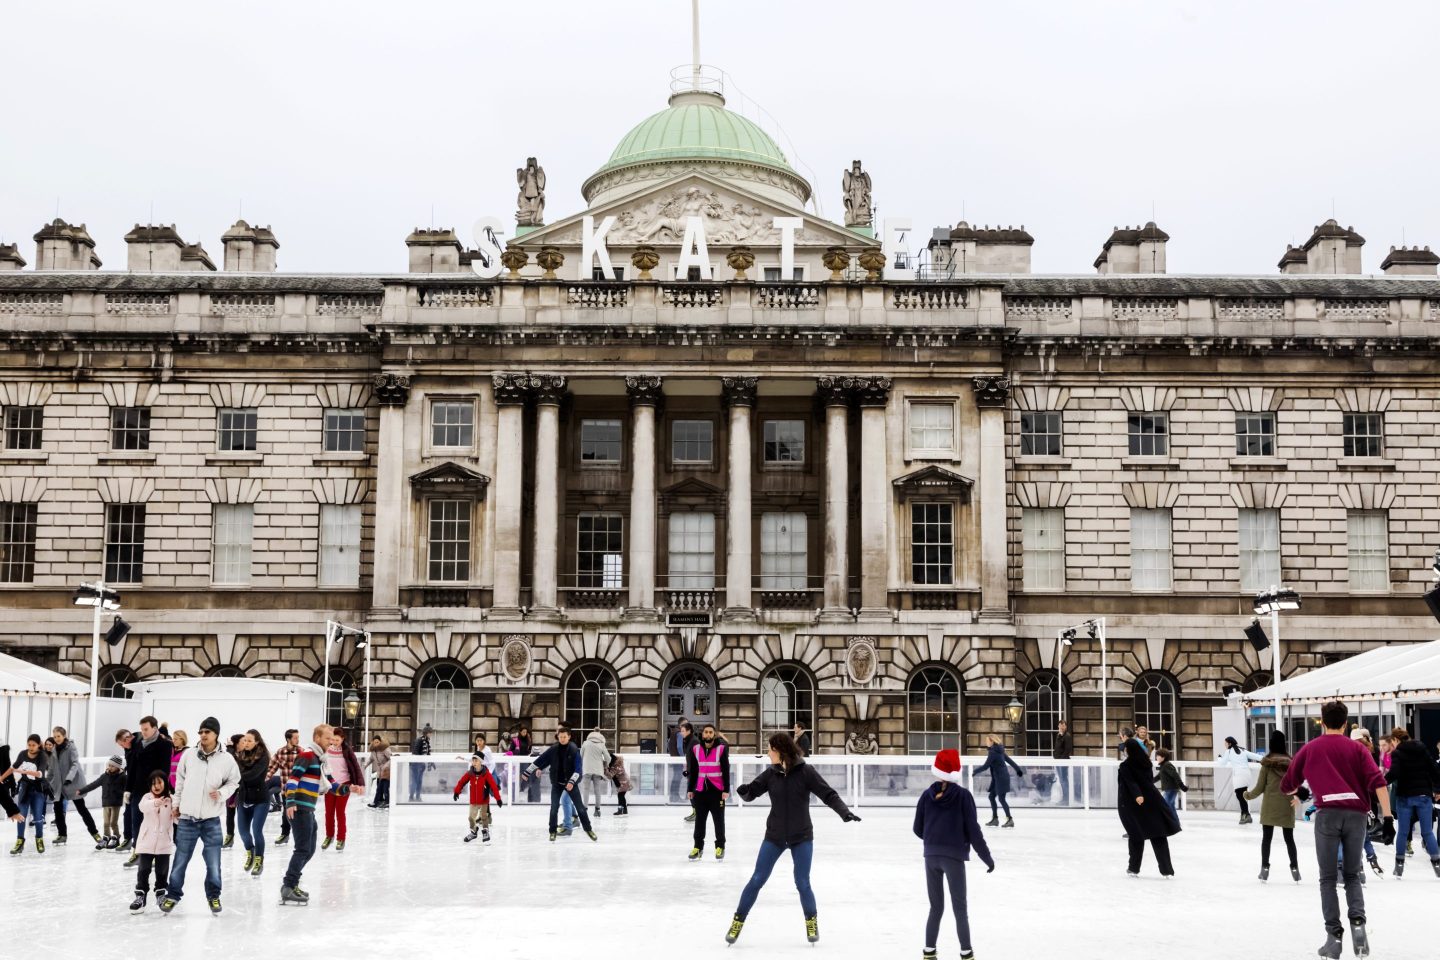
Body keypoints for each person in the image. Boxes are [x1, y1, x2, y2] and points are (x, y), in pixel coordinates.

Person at [1281, 699, 1394, 960]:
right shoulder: (1358, 750)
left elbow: (1287, 784)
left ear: (1322, 721)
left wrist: (1301, 790)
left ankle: (1333, 937)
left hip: (1327, 816)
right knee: (1353, 875)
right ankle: (1358, 924)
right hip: (1356, 816)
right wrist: (1387, 819)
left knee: (1328, 878)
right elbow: (1378, 783)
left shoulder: (1310, 749)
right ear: (1345, 723)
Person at [725, 732, 860, 946]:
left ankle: (811, 921)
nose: (768, 753)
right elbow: (752, 793)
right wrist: (743, 791)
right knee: (757, 879)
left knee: (803, 882)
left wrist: (844, 812)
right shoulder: (770, 774)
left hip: (801, 836)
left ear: (779, 751)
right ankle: (737, 921)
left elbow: (828, 794)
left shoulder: (806, 772)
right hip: (775, 836)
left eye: (770, 749)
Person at [914, 748, 994, 960]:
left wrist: (933, 841)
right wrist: (987, 857)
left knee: (935, 907)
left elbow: (917, 828)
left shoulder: (926, 796)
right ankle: (966, 953)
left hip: (931, 857)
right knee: (960, 908)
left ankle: (929, 951)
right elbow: (974, 832)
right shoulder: (963, 796)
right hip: (953, 858)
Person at [161, 716, 240, 914]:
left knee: (213, 862)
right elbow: (179, 781)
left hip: (211, 819)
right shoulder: (189, 755)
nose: (203, 735)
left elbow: (234, 782)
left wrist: (222, 794)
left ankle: (213, 896)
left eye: (207, 732)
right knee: (180, 860)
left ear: (216, 735)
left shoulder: (226, 759)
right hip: (187, 818)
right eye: (201, 732)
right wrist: (176, 804)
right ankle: (172, 895)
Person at [281, 723, 336, 905]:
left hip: (308, 809)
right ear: (317, 738)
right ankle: (288, 886)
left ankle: (292, 882)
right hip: (299, 808)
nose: (331, 741)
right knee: (303, 849)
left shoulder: (320, 759)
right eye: (328, 738)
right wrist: (290, 802)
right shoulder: (307, 755)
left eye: (332, 738)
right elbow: (292, 780)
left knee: (310, 849)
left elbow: (330, 782)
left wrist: (349, 788)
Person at [522, 724, 597, 842]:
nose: (562, 739)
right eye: (560, 737)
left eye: (564, 737)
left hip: (571, 783)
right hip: (557, 784)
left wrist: (572, 781)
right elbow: (542, 760)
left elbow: (578, 768)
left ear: (569, 737)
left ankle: (588, 830)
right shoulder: (554, 749)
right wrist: (528, 771)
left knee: (581, 808)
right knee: (554, 808)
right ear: (558, 737)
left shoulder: (573, 749)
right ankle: (552, 832)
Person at [1118, 738, 1179, 877]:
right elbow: (1146, 781)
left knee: (1136, 836)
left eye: (1126, 748)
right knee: (1157, 835)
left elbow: (1131, 783)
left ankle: (1133, 868)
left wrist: (1137, 795)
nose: (1124, 751)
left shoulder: (1126, 766)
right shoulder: (1145, 762)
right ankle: (1166, 870)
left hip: (1135, 805)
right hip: (1152, 801)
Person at [1247, 729, 1301, 883]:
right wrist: (1297, 797)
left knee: (1267, 838)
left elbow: (1259, 787)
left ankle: (1265, 868)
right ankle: (1295, 868)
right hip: (1286, 805)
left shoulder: (1267, 764)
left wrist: (1247, 795)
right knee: (1289, 839)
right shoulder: (1291, 763)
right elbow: (1296, 784)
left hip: (1270, 805)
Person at [1385, 726, 1440, 878]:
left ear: (1396, 740)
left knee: (1403, 831)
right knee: (1427, 832)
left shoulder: (1397, 753)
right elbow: (1434, 769)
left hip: (1405, 797)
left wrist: (1381, 782)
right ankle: (1437, 863)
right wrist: (1438, 789)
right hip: (1424, 796)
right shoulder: (1422, 749)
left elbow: (1394, 773)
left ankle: (1399, 866)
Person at [129, 771, 175, 914]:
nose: (156, 786)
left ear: (165, 783)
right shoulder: (147, 797)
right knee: (143, 870)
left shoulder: (171, 800)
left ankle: (161, 894)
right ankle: (140, 897)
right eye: (153, 783)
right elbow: (143, 807)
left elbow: (177, 819)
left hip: (164, 843)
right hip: (146, 842)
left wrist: (178, 813)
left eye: (159, 782)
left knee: (162, 872)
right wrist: (155, 802)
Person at [686, 722, 730, 861]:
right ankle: (698, 847)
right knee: (700, 821)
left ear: (714, 734)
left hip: (717, 791)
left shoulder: (721, 749)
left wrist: (726, 790)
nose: (708, 734)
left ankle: (720, 847)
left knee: (719, 821)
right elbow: (693, 771)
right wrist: (690, 789)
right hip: (700, 791)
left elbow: (726, 770)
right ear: (702, 734)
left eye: (711, 732)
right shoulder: (695, 749)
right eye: (706, 732)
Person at [47, 726, 97, 846]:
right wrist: (47, 782)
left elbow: (75, 764)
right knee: (58, 810)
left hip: (72, 783)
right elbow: (52, 768)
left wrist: (69, 778)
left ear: (64, 736)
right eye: (55, 736)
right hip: (59, 785)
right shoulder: (54, 750)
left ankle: (95, 833)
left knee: (82, 809)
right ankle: (62, 835)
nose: (57, 738)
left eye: (58, 736)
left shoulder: (71, 747)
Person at [322, 726, 365, 850]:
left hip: (344, 784)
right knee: (329, 812)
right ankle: (329, 836)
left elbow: (356, 767)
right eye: (332, 740)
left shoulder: (347, 750)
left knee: (340, 812)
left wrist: (360, 783)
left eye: (337, 740)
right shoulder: (327, 750)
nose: (334, 742)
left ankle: (341, 838)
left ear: (342, 739)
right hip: (330, 784)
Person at [234, 729, 271, 877]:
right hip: (244, 797)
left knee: (256, 831)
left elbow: (252, 775)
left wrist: (236, 776)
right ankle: (250, 851)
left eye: (250, 740)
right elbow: (231, 769)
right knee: (243, 832)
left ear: (256, 742)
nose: (246, 743)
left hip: (260, 798)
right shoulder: (240, 755)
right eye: (245, 740)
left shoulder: (263, 756)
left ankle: (259, 860)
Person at [76, 754, 127, 849]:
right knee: (106, 823)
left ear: (118, 767)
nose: (110, 767)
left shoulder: (123, 777)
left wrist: (122, 793)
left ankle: (116, 838)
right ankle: (106, 838)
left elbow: (127, 788)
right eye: (109, 765)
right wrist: (82, 790)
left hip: (116, 803)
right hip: (106, 802)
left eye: (113, 766)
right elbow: (93, 785)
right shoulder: (104, 776)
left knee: (113, 822)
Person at [9, 734, 49, 854]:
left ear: (38, 745)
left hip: (38, 789)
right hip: (25, 788)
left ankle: (39, 839)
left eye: (34, 745)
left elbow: (40, 772)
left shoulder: (42, 756)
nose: (31, 747)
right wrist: (3, 777)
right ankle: (20, 841)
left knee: (37, 817)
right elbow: (13, 767)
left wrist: (24, 771)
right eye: (29, 745)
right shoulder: (22, 754)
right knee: (21, 816)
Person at [974, 734, 1024, 828]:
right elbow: (1010, 761)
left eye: (987, 741)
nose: (986, 742)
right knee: (992, 796)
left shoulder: (993, 752)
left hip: (1001, 778)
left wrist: (975, 771)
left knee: (1001, 799)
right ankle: (995, 819)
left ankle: (1009, 819)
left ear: (992, 741)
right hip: (1000, 778)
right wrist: (1018, 770)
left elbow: (985, 766)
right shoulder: (999, 750)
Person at [453, 754, 503, 843]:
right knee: (471, 818)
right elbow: (461, 782)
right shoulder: (470, 773)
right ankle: (473, 832)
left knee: (484, 817)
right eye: (473, 761)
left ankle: (485, 832)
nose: (474, 763)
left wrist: (498, 799)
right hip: (473, 801)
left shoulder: (486, 774)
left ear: (481, 762)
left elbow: (494, 787)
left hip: (484, 800)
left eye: (476, 761)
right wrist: (457, 791)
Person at [1216, 736, 1262, 824]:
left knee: (1240, 797)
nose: (1225, 745)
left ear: (1229, 743)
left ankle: (1245, 815)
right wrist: (1266, 759)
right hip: (1247, 775)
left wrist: (1219, 758)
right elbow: (1256, 756)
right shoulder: (1242, 750)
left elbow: (1222, 763)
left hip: (1239, 777)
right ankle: (1246, 815)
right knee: (1242, 795)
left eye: (1225, 743)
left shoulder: (1228, 752)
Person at [268, 728, 301, 843]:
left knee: (302, 813)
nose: (297, 739)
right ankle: (285, 835)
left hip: (300, 790)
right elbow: (271, 769)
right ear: (288, 739)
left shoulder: (302, 752)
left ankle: (303, 837)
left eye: (298, 737)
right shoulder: (280, 752)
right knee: (286, 813)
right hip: (286, 790)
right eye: (295, 737)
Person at [579, 729, 611, 819]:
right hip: (598, 770)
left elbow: (580, 756)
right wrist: (605, 764)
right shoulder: (601, 744)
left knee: (586, 789)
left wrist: (582, 764)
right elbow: (608, 758)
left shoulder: (585, 743)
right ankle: (597, 809)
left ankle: (584, 809)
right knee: (597, 790)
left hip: (587, 769)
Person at [669, 720, 697, 812]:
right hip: (680, 762)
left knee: (682, 779)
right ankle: (675, 796)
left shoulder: (692, 740)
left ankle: (675, 797)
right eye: (685, 723)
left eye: (683, 730)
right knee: (679, 778)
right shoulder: (679, 734)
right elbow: (680, 747)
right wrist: (682, 760)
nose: (682, 733)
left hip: (691, 767)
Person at [1153, 747, 1188, 818]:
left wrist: (1181, 785)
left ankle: (1171, 823)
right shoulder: (1163, 765)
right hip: (1169, 789)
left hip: (1171, 789)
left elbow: (1175, 775)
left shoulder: (1167, 765)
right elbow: (1159, 776)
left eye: (1158, 756)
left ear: (1163, 757)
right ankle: (1175, 823)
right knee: (1170, 806)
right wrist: (1149, 781)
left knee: (1166, 805)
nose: (1156, 758)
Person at [222, 732, 243, 848]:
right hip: (231, 788)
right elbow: (230, 763)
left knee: (243, 816)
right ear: (236, 744)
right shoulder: (231, 754)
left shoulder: (245, 754)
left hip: (243, 789)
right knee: (230, 814)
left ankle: (247, 837)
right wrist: (229, 749)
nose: (244, 744)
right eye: (242, 742)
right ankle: (230, 836)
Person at [366, 736, 392, 809]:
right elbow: (371, 759)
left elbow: (391, 759)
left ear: (380, 742)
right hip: (379, 772)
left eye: (377, 742)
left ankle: (387, 802)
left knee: (385, 788)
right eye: (375, 742)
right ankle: (380, 801)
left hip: (386, 772)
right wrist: (365, 765)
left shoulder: (385, 749)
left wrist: (385, 766)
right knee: (379, 787)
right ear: (373, 742)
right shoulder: (373, 750)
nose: (376, 743)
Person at [408, 724, 433, 802]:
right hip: (415, 765)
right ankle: (411, 797)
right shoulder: (419, 740)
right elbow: (415, 753)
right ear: (426, 733)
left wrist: (430, 763)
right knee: (415, 781)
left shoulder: (427, 742)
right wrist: (419, 763)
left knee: (419, 781)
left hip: (421, 765)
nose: (431, 734)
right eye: (430, 733)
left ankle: (418, 796)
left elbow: (428, 753)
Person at [1052, 720, 1073, 806]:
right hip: (1058, 761)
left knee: (1064, 781)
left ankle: (1066, 799)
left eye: (1063, 726)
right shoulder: (1059, 735)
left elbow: (1067, 749)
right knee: (1062, 780)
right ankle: (1064, 798)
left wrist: (1061, 760)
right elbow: (1057, 747)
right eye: (1060, 726)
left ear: (1066, 727)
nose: (1061, 727)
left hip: (1063, 762)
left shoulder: (1067, 736)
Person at [607, 748, 631, 816]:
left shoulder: (616, 766)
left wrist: (606, 769)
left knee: (620, 795)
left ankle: (620, 810)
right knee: (622, 795)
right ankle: (625, 810)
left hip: (623, 782)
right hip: (624, 781)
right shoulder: (618, 763)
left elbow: (610, 775)